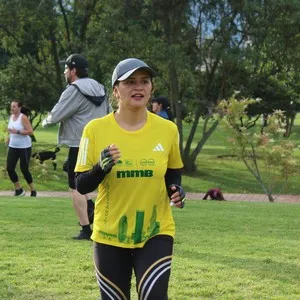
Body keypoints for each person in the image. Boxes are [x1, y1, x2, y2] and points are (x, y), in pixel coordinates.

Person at [75, 58, 186, 299]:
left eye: (144, 81)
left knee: (154, 295)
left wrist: (175, 188)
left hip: (156, 231)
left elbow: (173, 171)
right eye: (130, 82)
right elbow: (81, 184)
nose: (139, 87)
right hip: (109, 235)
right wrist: (100, 168)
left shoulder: (167, 129)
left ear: (151, 89)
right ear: (116, 90)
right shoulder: (95, 130)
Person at [42, 53, 111, 240]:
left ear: (73, 71)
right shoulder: (101, 88)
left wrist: (45, 121)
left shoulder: (73, 89)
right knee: (98, 184)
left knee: (74, 186)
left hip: (78, 144)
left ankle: (86, 229)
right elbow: (109, 113)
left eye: (66, 68)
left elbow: (56, 115)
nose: (65, 71)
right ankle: (91, 208)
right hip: (100, 144)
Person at [6, 100, 37, 197]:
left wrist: (18, 132)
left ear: (19, 107)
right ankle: (19, 190)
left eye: (14, 106)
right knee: (10, 168)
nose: (12, 108)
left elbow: (30, 131)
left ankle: (33, 190)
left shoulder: (23, 117)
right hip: (13, 146)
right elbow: (11, 130)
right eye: (11, 106)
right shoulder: (11, 117)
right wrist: (9, 137)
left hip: (24, 147)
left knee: (24, 169)